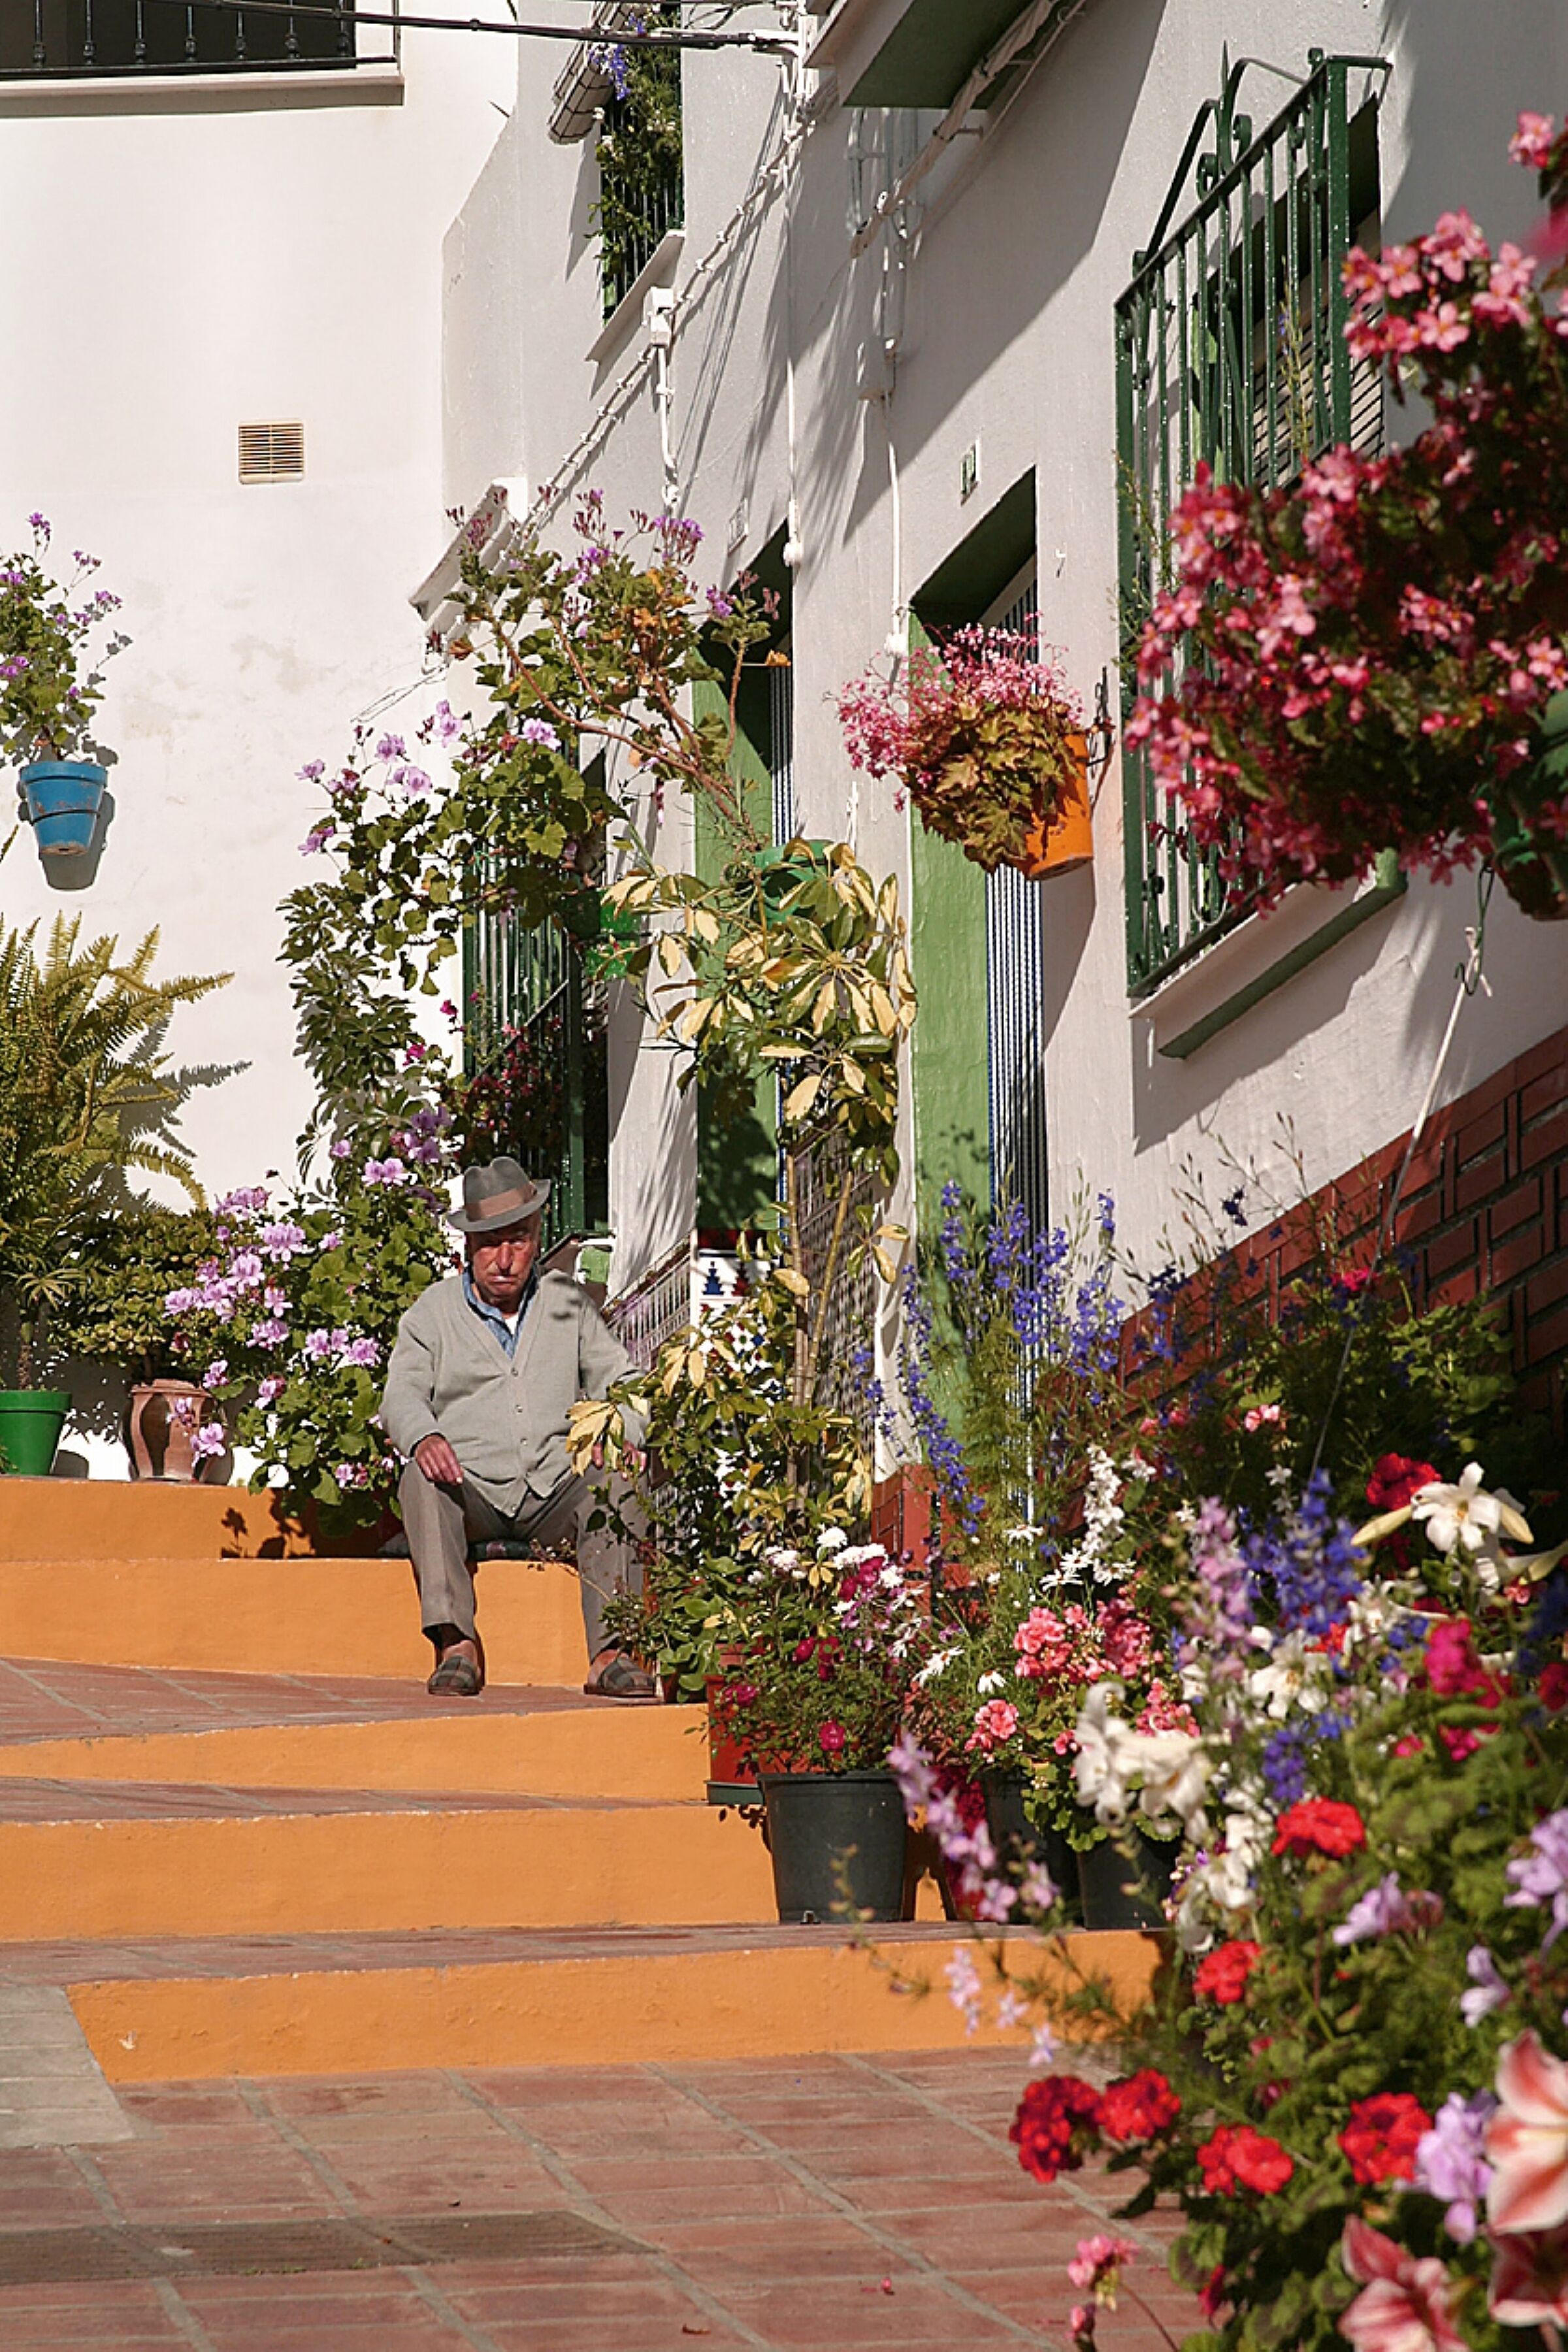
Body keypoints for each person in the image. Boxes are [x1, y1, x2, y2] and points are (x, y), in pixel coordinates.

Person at [380, 1156, 655, 1699]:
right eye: (491, 1244)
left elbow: (623, 1383)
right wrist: (425, 1436)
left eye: (519, 1241)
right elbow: (401, 1394)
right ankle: (456, 1645)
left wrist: (621, 1430)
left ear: (535, 1240)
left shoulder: (567, 1304)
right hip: (472, 1490)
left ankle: (611, 1655)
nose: (505, 1260)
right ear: (469, 1248)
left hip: (557, 1488)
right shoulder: (430, 1313)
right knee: (419, 1479)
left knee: (620, 1478)